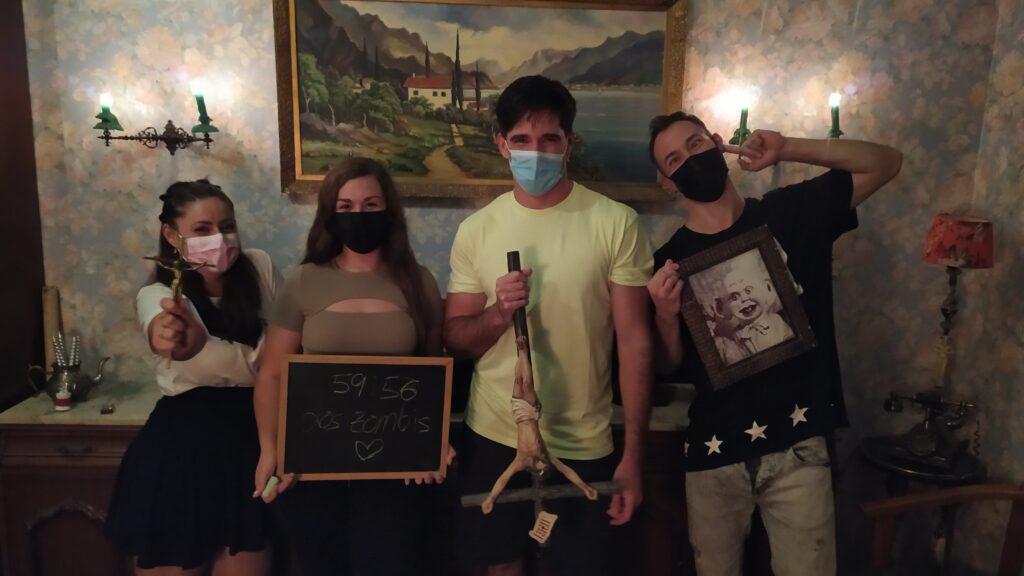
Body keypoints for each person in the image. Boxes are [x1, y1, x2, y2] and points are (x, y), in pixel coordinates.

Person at [646, 111, 902, 575]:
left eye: (696, 144)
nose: (690, 160)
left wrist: (788, 148)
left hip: (798, 446)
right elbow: (667, 365)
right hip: (714, 451)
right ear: (667, 181)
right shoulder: (668, 263)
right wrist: (665, 314)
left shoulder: (791, 212)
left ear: (719, 142)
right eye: (674, 159)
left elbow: (885, 162)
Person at [444, 75, 653, 576]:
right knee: (500, 566)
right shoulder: (476, 231)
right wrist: (498, 312)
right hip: (494, 437)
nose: (534, 152)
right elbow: (456, 338)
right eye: (521, 139)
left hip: (583, 441)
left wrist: (634, 455)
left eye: (548, 139)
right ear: (501, 144)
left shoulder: (615, 222)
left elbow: (635, 343)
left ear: (569, 143)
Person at [252, 157, 450, 576]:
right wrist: (270, 449)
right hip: (312, 467)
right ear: (330, 214)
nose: (359, 215)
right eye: (346, 206)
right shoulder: (304, 281)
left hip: (396, 472)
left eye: (370, 204)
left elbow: (433, 376)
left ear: (389, 211)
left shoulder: (420, 283)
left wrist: (434, 444)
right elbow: (271, 374)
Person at [106, 180, 279, 576]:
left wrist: (213, 347)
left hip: (252, 447)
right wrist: (180, 341)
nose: (219, 239)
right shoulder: (158, 294)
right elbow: (166, 333)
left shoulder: (260, 268)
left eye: (227, 226)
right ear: (172, 235)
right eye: (202, 229)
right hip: (182, 454)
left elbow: (287, 355)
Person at [720, 250, 794, 356]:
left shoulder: (775, 320)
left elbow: (791, 342)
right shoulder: (737, 334)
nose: (744, 299)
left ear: (767, 289)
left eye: (748, 291)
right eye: (734, 297)